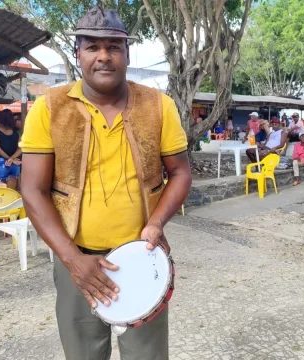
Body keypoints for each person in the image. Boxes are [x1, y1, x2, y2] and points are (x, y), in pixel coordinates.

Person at [19, 8, 192, 360]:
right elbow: (32, 190)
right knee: (83, 353)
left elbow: (180, 172)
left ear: (127, 54)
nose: (104, 56)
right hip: (76, 256)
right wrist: (71, 260)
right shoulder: (49, 107)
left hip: (142, 257)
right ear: (78, 53)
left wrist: (156, 223)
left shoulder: (158, 105)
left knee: (147, 355)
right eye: (93, 47)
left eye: (114, 46)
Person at [0, 111, 21, 190]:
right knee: (12, 192)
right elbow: (21, 148)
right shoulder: (16, 133)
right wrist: (12, 158)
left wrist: (8, 158)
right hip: (14, 164)